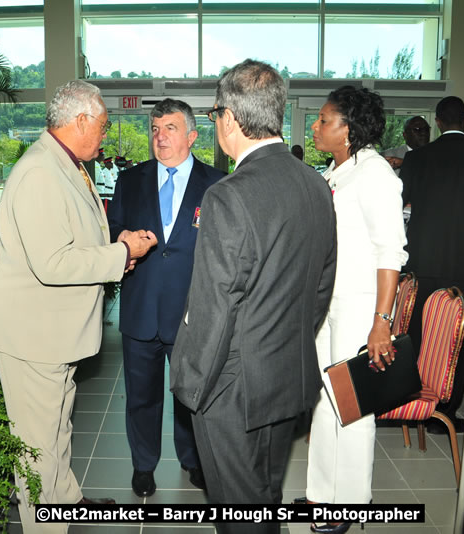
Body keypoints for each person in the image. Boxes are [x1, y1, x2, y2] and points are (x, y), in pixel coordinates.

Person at [0, 80, 158, 534]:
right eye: (102, 125)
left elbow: (69, 237)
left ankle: (66, 501)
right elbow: (52, 262)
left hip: (52, 331)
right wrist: (123, 255)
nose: (105, 134)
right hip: (33, 333)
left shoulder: (66, 163)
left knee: (57, 428)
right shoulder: (42, 171)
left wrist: (113, 244)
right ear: (80, 120)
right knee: (36, 445)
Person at [170, 59, 337, 533]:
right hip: (287, 373)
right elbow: (321, 284)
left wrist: (192, 386)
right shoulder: (315, 185)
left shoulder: (229, 196)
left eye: (214, 115)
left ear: (229, 119)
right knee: (264, 494)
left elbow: (213, 306)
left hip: (232, 388)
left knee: (239, 509)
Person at [303, 85, 408, 534]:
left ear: (348, 129)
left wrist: (381, 324)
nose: (316, 126)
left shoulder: (376, 174)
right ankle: (321, 495)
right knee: (327, 404)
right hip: (330, 304)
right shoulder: (337, 169)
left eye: (324, 120)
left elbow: (391, 253)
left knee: (354, 407)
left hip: (361, 305)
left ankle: (350, 505)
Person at [108, 98, 225, 498]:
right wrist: (121, 238)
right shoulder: (131, 180)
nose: (160, 137)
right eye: (155, 129)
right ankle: (143, 465)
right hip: (140, 309)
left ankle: (192, 460)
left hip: (192, 313)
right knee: (141, 397)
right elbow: (113, 230)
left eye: (170, 128)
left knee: (189, 397)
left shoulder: (217, 183)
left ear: (192, 135)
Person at [400, 96, 464, 431]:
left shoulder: (418, 159)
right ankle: (446, 414)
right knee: (456, 339)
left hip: (423, 260)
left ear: (437, 121)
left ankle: (409, 403)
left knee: (417, 334)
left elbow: (401, 204)